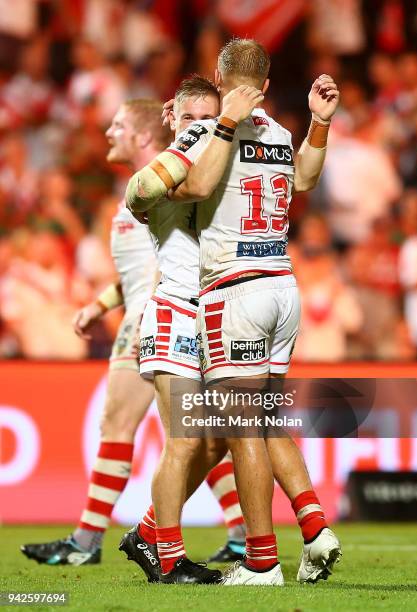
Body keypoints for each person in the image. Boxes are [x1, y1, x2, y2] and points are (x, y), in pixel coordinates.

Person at [126, 39, 342, 586]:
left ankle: (259, 559)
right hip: (271, 287)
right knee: (232, 428)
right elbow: (304, 181)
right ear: (265, 86)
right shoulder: (276, 133)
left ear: (222, 81)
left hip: (233, 291)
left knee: (235, 430)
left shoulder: (207, 134)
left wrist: (220, 125)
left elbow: (190, 184)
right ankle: (309, 528)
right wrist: (318, 126)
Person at [20, 98, 247, 567]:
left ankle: (90, 542)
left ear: (144, 137)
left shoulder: (170, 188)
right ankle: (241, 534)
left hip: (156, 321)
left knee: (128, 427)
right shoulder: (139, 194)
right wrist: (98, 305)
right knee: (195, 436)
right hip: (157, 314)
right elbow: (139, 272)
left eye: (119, 125)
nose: (108, 132)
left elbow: (178, 265)